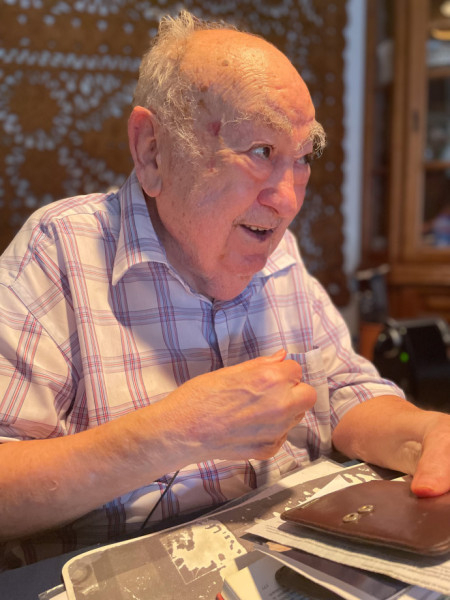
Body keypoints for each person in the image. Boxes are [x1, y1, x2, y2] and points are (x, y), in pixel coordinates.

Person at [0, 10, 449, 569]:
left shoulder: (276, 248)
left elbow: (342, 390)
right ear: (152, 150)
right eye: (261, 151)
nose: (288, 200)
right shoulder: (59, 251)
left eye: (302, 159)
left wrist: (427, 433)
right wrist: (174, 434)